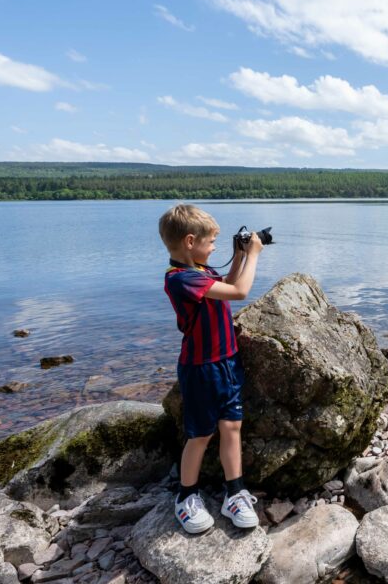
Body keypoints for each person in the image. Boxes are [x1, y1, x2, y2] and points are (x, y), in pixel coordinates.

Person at [159, 204, 264, 533]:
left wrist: (238, 255)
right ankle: (186, 497)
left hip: (227, 363)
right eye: (211, 241)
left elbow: (229, 282)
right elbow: (239, 291)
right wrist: (255, 255)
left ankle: (235, 492)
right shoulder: (182, 279)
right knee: (201, 434)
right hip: (201, 369)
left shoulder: (201, 271)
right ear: (190, 241)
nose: (214, 247)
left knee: (232, 427)